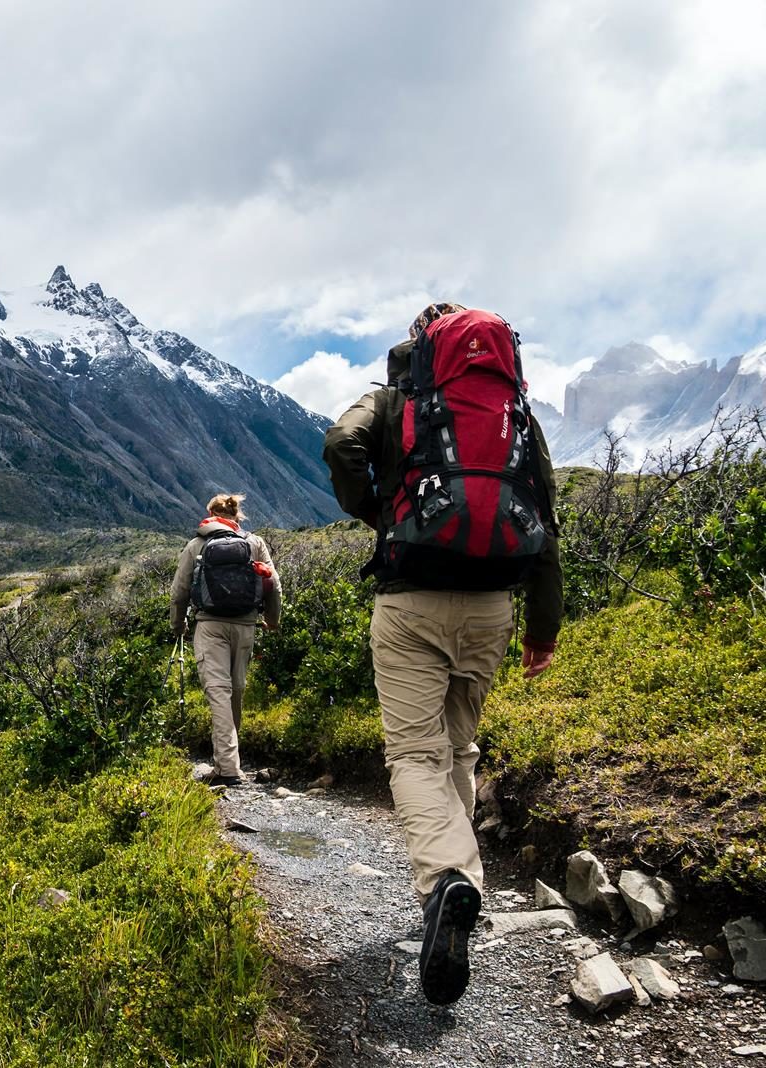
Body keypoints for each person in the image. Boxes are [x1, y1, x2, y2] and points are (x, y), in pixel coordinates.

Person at [322, 302, 562, 1006]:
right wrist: (542, 631)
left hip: (411, 599)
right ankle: (458, 885)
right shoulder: (514, 413)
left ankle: (447, 882)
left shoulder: (397, 399)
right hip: (493, 606)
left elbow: (341, 444)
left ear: (421, 344)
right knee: (458, 749)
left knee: (414, 755)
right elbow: (544, 516)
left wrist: (377, 510)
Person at [169, 493, 282, 788]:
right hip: (246, 626)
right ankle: (229, 761)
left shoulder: (197, 544)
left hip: (210, 626)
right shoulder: (254, 543)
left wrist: (178, 625)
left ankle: (228, 768)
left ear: (210, 514)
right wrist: (272, 620)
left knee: (218, 692)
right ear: (237, 515)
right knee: (236, 691)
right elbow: (274, 584)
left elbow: (179, 592)